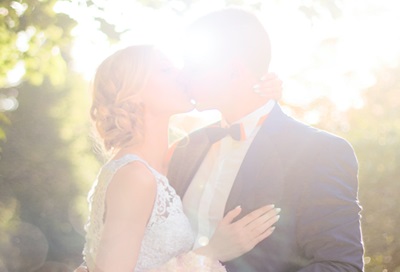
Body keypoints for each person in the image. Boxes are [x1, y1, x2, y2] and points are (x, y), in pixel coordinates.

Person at [167, 8, 364, 272]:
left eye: (194, 66)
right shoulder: (185, 150)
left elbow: (341, 265)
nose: (183, 76)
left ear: (234, 70)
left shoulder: (318, 152)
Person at [79, 45, 282, 272]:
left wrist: (255, 93)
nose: (183, 75)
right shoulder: (135, 177)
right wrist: (211, 253)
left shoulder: (169, 164)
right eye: (166, 70)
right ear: (133, 94)